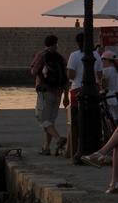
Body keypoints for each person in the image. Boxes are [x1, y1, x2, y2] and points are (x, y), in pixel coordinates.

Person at [66, 32, 103, 162]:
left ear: (77, 43)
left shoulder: (74, 55)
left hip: (77, 89)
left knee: (76, 121)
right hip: (94, 90)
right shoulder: (97, 55)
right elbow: (99, 74)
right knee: (93, 118)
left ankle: (76, 148)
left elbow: (70, 75)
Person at [30, 35, 69, 156]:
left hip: (45, 92)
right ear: (56, 44)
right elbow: (66, 77)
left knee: (42, 119)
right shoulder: (61, 57)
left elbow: (33, 71)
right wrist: (66, 96)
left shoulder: (41, 55)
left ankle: (58, 139)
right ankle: (46, 148)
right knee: (50, 121)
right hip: (58, 93)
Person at [100, 51, 118, 122]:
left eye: (103, 60)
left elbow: (104, 85)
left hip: (111, 97)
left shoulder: (106, 71)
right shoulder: (116, 70)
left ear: (106, 60)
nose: (102, 62)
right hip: (116, 96)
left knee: (114, 119)